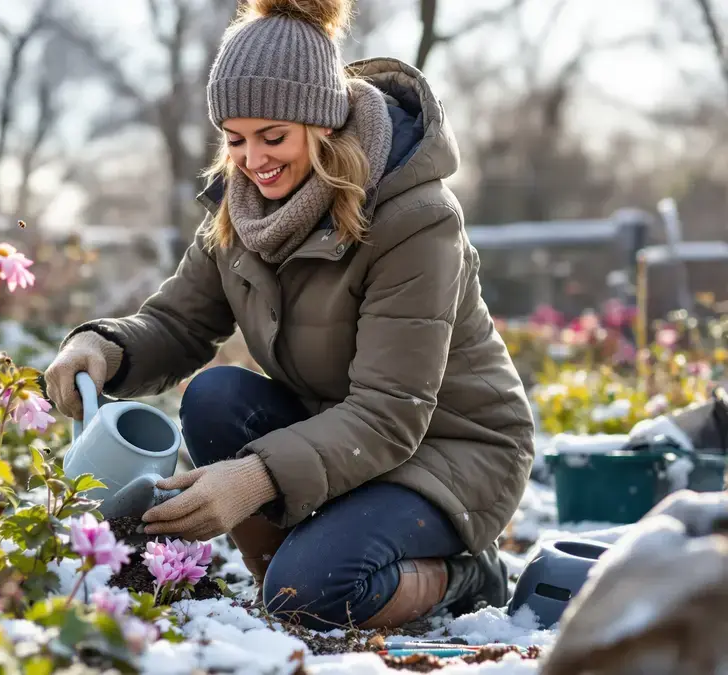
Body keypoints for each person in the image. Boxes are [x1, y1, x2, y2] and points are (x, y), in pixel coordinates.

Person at [44, 0, 535, 631]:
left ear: (323, 123)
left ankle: (468, 575)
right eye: (235, 139)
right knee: (216, 396)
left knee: (318, 594)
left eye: (273, 137)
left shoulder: (416, 220)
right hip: (344, 433)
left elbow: (392, 413)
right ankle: (285, 580)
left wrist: (251, 479)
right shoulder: (245, 207)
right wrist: (105, 348)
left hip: (451, 450)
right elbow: (180, 324)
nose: (252, 160)